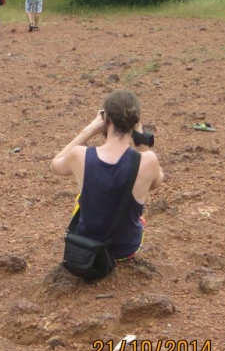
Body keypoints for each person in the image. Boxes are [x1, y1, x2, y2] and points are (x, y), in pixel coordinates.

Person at [50, 90, 164, 261]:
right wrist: (142, 143)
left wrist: (87, 131)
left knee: (83, 196)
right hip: (125, 249)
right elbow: (155, 183)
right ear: (135, 123)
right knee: (135, 208)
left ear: (105, 119)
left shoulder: (79, 155)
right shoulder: (149, 161)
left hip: (87, 245)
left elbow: (55, 165)